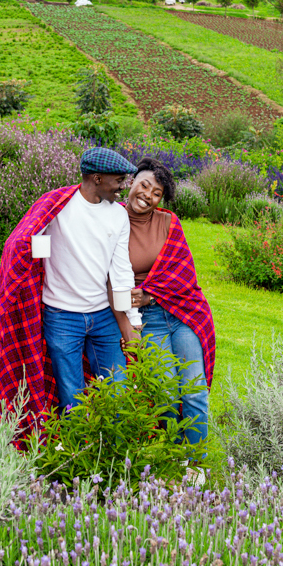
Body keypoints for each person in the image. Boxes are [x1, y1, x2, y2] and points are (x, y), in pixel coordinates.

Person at [0, 147, 141, 434]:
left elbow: (120, 273)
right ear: (97, 178)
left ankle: (114, 453)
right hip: (61, 318)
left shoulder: (118, 217)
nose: (124, 186)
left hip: (103, 318)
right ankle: (77, 462)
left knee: (118, 390)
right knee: (71, 397)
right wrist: (40, 255)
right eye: (119, 180)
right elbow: (29, 247)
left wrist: (132, 319)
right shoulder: (56, 206)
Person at [113, 157, 216, 447]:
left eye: (156, 193)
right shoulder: (111, 219)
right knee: (166, 395)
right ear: (132, 181)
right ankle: (171, 460)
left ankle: (196, 463)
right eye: (144, 185)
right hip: (149, 322)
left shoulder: (170, 222)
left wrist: (150, 293)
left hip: (183, 315)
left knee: (194, 392)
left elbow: (183, 273)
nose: (147, 195)